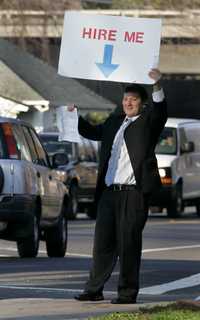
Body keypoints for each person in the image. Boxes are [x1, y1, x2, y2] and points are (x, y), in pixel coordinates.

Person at [74, 69, 167, 304]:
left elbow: (161, 111)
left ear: (142, 104)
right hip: (108, 193)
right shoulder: (115, 121)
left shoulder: (148, 122)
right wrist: (74, 116)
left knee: (128, 244)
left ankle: (126, 293)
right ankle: (93, 289)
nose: (128, 103)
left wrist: (157, 84)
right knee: (102, 244)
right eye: (126, 99)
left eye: (134, 100)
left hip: (133, 194)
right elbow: (91, 132)